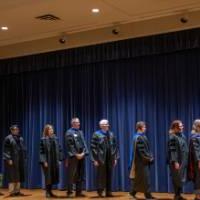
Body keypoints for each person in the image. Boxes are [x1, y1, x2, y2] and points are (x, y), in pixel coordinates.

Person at [91, 119, 119, 197]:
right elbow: (93, 147)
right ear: (101, 126)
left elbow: (115, 146)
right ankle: (100, 191)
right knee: (101, 175)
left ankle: (108, 191)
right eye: (105, 124)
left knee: (109, 175)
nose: (107, 125)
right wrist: (95, 159)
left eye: (107, 124)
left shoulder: (111, 134)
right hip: (100, 158)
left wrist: (116, 158)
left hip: (110, 158)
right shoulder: (96, 134)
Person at [129, 121, 155, 200]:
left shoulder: (143, 136)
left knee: (143, 178)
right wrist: (149, 158)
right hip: (139, 162)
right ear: (140, 128)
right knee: (141, 178)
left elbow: (147, 149)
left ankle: (147, 194)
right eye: (144, 127)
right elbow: (141, 151)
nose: (145, 128)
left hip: (143, 161)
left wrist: (150, 156)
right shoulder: (138, 137)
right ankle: (133, 194)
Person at [65, 118, 89, 197]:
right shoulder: (69, 132)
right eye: (77, 122)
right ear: (73, 123)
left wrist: (84, 152)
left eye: (79, 122)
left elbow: (84, 143)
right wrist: (76, 154)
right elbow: (70, 145)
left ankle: (78, 192)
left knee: (80, 174)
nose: (79, 124)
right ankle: (70, 192)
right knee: (72, 174)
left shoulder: (80, 132)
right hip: (73, 156)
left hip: (81, 155)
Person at [39, 124, 63, 198]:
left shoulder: (56, 139)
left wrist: (59, 159)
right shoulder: (43, 139)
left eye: (52, 129)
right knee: (48, 177)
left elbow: (60, 149)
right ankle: (47, 192)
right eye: (49, 129)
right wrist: (44, 161)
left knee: (53, 176)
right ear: (46, 130)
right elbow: (41, 151)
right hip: (47, 161)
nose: (51, 130)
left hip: (54, 160)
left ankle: (50, 191)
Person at [3, 125, 26, 197]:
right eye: (15, 130)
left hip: (20, 159)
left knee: (18, 175)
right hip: (12, 160)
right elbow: (6, 150)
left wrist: (24, 157)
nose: (17, 131)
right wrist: (8, 159)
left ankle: (17, 191)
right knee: (12, 176)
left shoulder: (20, 138)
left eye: (17, 129)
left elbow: (23, 148)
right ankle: (12, 192)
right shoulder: (8, 138)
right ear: (12, 130)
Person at [167, 120, 188, 200]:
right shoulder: (172, 137)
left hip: (183, 160)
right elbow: (173, 150)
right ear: (175, 127)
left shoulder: (182, 136)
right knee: (176, 178)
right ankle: (176, 195)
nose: (182, 127)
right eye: (180, 126)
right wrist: (175, 161)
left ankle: (178, 195)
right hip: (176, 161)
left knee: (180, 178)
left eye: (182, 126)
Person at [188, 119, 200, 200]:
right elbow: (196, 151)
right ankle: (197, 196)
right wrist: (199, 161)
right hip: (197, 162)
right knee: (198, 178)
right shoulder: (194, 137)